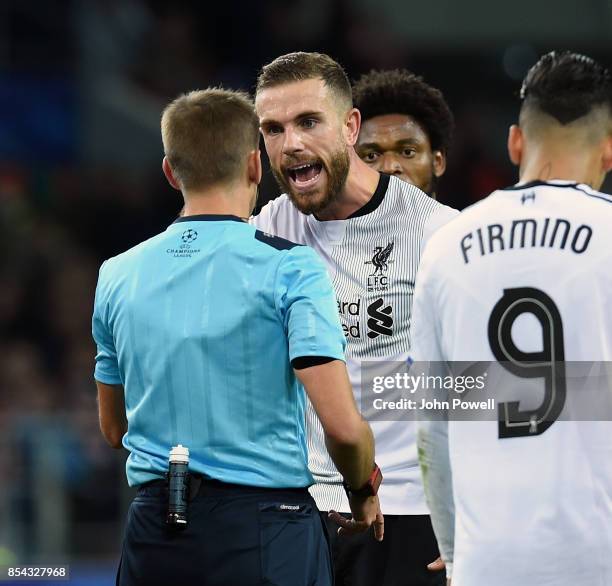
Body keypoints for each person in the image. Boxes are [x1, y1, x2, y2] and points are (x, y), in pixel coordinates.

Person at [92, 87, 383, 586]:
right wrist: (362, 490)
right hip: (265, 529)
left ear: (170, 171)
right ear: (255, 165)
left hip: (153, 533)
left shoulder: (116, 274)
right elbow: (342, 428)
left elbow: (114, 428)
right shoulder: (291, 267)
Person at [251, 52, 458, 586]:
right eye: (273, 129)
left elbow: (502, 385)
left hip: (413, 515)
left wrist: (476, 516)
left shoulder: (440, 235)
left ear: (350, 126)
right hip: (298, 515)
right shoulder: (263, 233)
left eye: (308, 121)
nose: (290, 142)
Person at [412, 51, 612, 586]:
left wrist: (455, 556)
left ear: (516, 143)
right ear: (609, 150)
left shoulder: (444, 246)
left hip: (489, 561)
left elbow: (432, 430)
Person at [353, 68, 454, 198]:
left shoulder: (469, 219)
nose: (389, 167)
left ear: (437, 162)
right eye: (371, 156)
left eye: (407, 152)